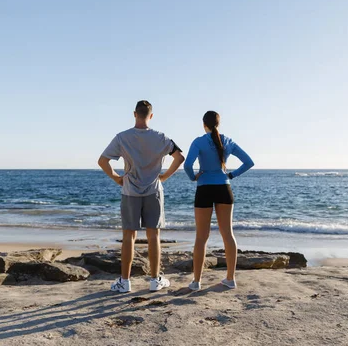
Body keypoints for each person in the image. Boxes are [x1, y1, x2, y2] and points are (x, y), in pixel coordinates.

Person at [98, 100, 184, 293]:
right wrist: (164, 177)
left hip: (130, 191)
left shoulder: (122, 137)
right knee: (154, 236)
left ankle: (125, 281)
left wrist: (117, 178)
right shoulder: (161, 137)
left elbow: (102, 161)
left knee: (129, 236)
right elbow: (179, 157)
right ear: (151, 116)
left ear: (134, 114)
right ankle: (154, 280)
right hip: (154, 190)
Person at [184, 110, 254, 291]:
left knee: (201, 237)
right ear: (219, 123)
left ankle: (196, 282)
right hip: (224, 188)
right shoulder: (228, 141)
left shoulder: (198, 141)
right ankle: (230, 279)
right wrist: (231, 174)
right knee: (228, 235)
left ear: (203, 124)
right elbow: (248, 162)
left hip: (204, 189)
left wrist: (194, 177)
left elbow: (187, 165)